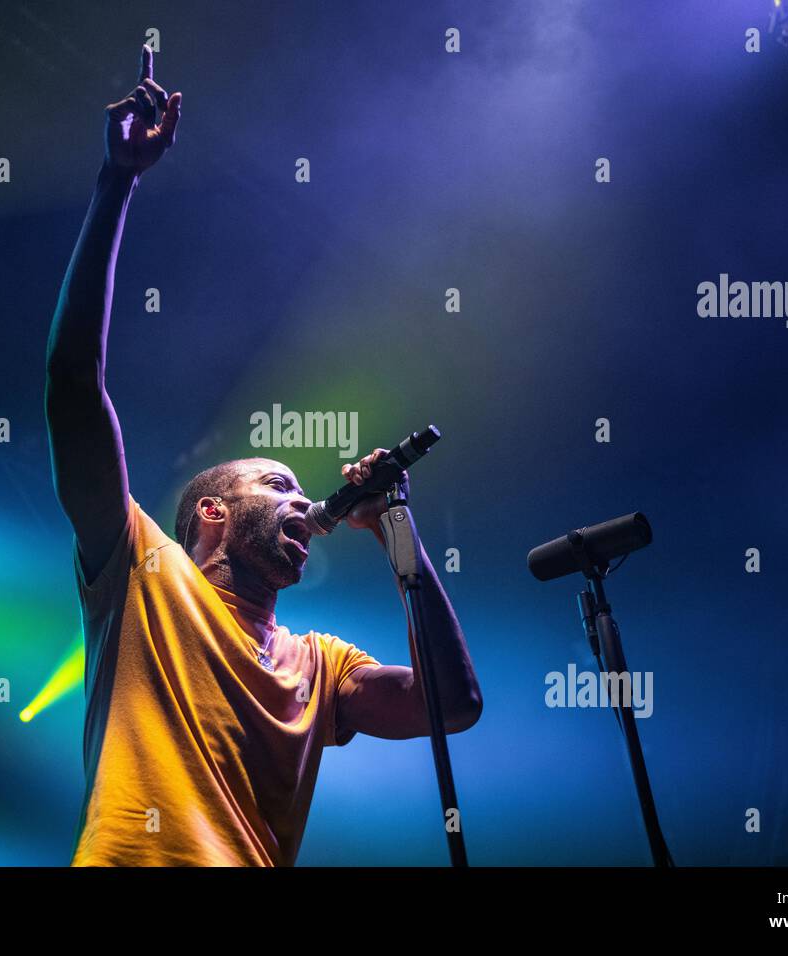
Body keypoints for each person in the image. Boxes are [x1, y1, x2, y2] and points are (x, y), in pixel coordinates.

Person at [45, 45, 482, 866]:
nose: (301, 499)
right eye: (275, 484)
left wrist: (401, 536)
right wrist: (118, 183)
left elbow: (451, 706)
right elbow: (74, 381)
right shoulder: (143, 571)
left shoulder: (319, 665)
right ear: (213, 511)